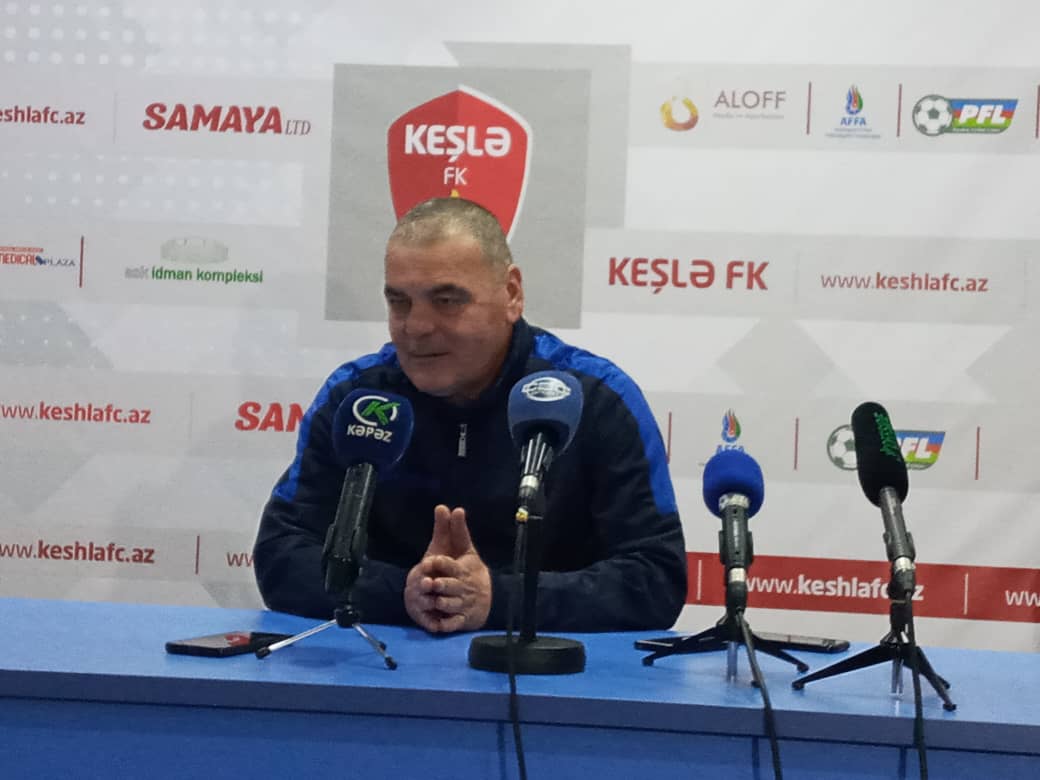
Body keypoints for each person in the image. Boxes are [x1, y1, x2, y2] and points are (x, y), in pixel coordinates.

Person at [253, 197, 687, 633]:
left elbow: (656, 578)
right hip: (384, 663)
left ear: (511, 294)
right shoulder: (358, 400)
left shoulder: (597, 398)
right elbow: (281, 554)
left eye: (446, 300)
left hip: (547, 670)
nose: (416, 327)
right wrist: (408, 593)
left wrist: (497, 599)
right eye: (399, 302)